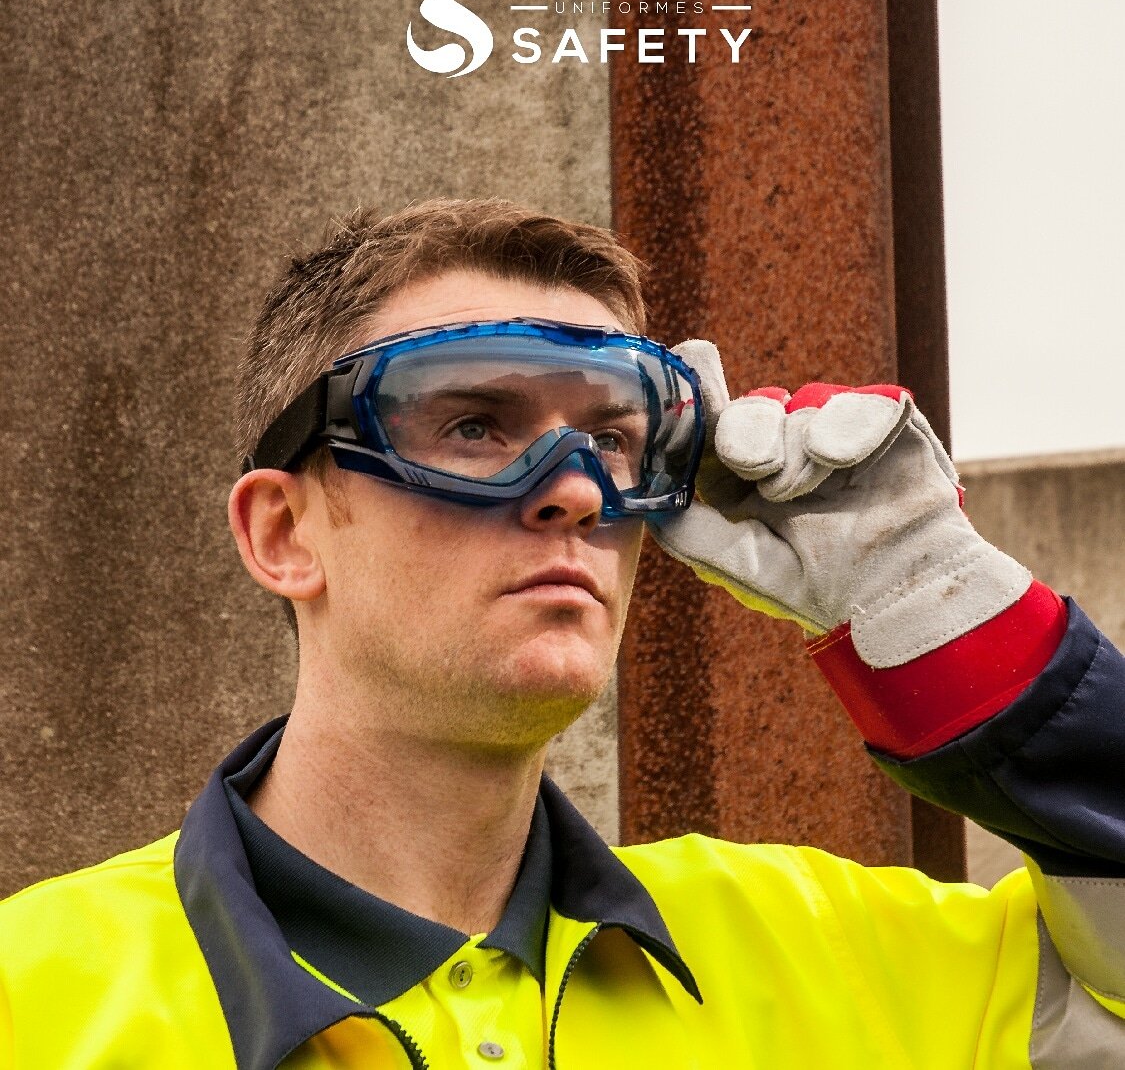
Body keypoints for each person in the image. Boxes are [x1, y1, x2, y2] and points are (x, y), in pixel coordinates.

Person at [1, 198, 1123, 1069]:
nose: (576, 492)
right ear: (285, 533)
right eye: (475, 424)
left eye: (616, 438)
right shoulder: (31, 1001)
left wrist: (955, 619)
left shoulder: (836, 953)